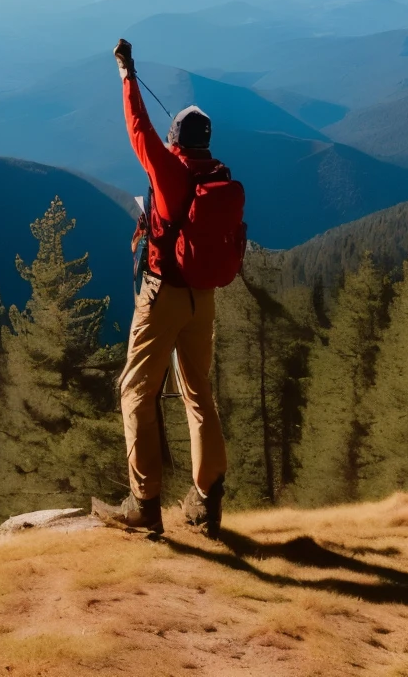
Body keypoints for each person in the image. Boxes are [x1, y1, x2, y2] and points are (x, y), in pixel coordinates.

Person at [91, 37, 228, 536]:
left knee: (134, 393)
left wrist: (127, 73)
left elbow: (137, 128)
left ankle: (143, 505)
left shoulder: (169, 170)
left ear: (176, 142)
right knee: (198, 395)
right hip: (204, 297)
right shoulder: (218, 177)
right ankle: (205, 502)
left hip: (162, 295)